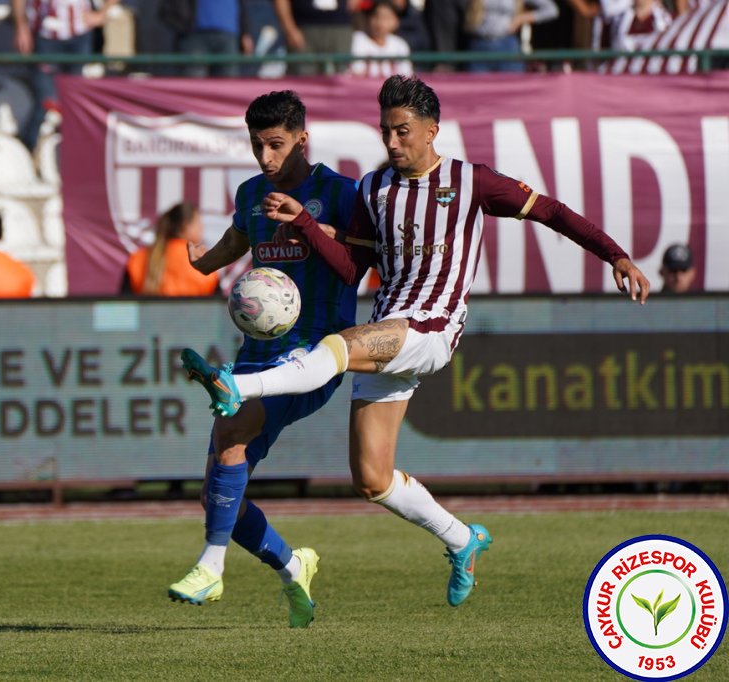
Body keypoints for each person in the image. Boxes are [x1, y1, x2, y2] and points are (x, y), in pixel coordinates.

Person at [182, 76, 650, 608]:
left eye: (402, 131)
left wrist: (616, 256)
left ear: (432, 130)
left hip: (430, 327)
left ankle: (237, 383)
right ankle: (461, 538)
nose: (392, 142)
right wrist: (307, 225)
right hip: (387, 332)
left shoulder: (472, 181)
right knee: (371, 478)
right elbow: (350, 267)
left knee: (334, 347)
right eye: (385, 132)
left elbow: (554, 213)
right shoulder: (375, 189)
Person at [167, 90, 359, 628]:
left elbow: (355, 264)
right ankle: (292, 564)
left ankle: (211, 566)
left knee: (233, 437)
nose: (266, 158)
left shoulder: (340, 193)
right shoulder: (252, 192)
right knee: (218, 494)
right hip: (256, 355)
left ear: (303, 138)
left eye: (276, 145)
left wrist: (305, 223)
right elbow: (238, 238)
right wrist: (204, 264)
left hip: (313, 353)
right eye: (257, 146)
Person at [12, 0, 121, 150]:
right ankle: (27, 149)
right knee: (46, 100)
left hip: (79, 35)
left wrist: (101, 14)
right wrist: (21, 26)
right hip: (45, 36)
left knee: (74, 100)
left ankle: (75, 149)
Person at [122, 201, 220, 296]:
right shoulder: (205, 263)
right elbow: (218, 308)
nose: (202, 227)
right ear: (185, 226)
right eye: (198, 223)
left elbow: (124, 307)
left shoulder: (138, 259)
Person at [158, 0, 254, 77]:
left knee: (227, 86)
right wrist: (183, 25)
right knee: (194, 83)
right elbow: (167, 9)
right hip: (195, 36)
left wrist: (245, 32)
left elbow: (241, 5)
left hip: (228, 35)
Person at [464, 0, 559, 72]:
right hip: (479, 45)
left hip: (507, 45)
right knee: (478, 93)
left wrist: (521, 19)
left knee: (510, 91)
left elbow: (551, 10)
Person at [273, 0, 360, 76]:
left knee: (341, 75)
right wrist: (290, 29)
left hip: (340, 26)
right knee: (303, 76)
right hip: (304, 28)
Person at [351, 0, 413, 78]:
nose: (380, 23)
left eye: (386, 18)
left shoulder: (400, 44)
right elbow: (356, 73)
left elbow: (406, 76)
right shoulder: (358, 39)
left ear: (396, 21)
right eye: (376, 16)